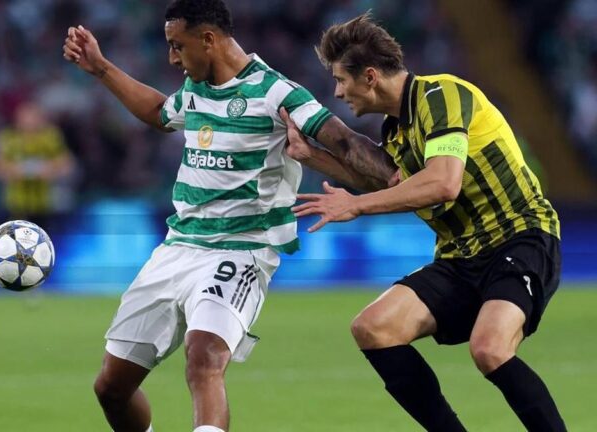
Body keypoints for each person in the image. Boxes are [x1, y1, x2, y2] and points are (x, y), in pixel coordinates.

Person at [63, 1, 396, 431]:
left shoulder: (277, 93)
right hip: (178, 247)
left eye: (177, 46)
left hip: (242, 251)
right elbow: (160, 113)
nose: (173, 58)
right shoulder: (195, 89)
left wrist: (398, 177)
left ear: (208, 39)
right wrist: (101, 68)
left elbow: (345, 141)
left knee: (204, 357)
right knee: (111, 388)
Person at [286, 12, 565, 431]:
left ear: (370, 76)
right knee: (373, 328)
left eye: (341, 80)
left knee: (489, 349)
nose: (338, 92)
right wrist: (312, 157)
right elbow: (390, 183)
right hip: (460, 256)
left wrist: (357, 207)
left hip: (518, 237)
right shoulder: (396, 130)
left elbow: (442, 183)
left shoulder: (441, 95)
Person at [0, 101, 75, 230]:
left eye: (33, 117)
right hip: (17, 202)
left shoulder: (50, 137)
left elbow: (66, 163)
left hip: (43, 203)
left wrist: (51, 170)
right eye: (25, 117)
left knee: (43, 237)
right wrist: (13, 170)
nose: (29, 121)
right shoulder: (8, 138)